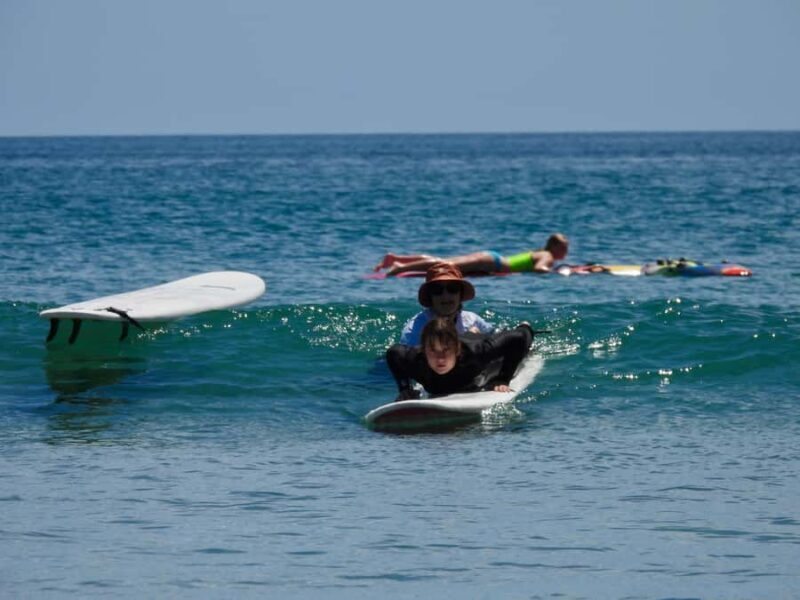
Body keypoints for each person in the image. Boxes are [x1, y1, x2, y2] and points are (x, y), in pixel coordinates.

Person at [387, 317, 535, 401]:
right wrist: (405, 389)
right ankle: (471, 332)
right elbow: (393, 352)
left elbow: (520, 337)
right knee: (463, 338)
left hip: (474, 346)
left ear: (457, 351)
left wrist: (503, 379)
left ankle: (474, 332)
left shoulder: (477, 353)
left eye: (446, 351)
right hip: (461, 339)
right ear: (424, 350)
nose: (440, 359)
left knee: (507, 347)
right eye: (433, 351)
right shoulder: (416, 359)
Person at [374, 233, 569, 276]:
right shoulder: (548, 256)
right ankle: (399, 267)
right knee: (445, 265)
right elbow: (539, 269)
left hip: (491, 261)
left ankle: (398, 259)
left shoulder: (541, 251)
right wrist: (561, 272)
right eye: (564, 248)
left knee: (446, 264)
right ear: (555, 247)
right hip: (493, 262)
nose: (566, 252)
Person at [399, 262, 493, 346]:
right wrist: (466, 341)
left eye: (453, 288)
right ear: (430, 296)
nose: (446, 296)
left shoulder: (473, 321)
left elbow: (495, 340)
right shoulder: (415, 330)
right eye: (437, 290)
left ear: (460, 294)